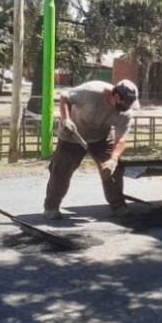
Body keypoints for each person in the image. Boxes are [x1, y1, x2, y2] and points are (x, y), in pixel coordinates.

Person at [43, 79, 140, 220]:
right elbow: (65, 97)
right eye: (125, 104)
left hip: (101, 136)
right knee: (61, 170)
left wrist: (113, 160)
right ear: (117, 96)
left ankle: (118, 205)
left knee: (114, 169)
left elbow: (121, 140)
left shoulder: (125, 112)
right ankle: (51, 206)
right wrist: (66, 120)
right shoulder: (92, 91)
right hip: (72, 134)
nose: (127, 108)